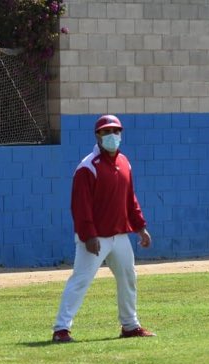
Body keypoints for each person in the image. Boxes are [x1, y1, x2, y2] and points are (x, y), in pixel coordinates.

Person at [51, 114, 155, 343]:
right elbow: (80, 206)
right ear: (97, 135)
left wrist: (140, 227)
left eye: (116, 131)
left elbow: (130, 199)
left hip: (119, 235)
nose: (112, 136)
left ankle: (130, 325)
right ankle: (61, 329)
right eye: (106, 132)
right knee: (81, 280)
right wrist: (89, 235)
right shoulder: (88, 167)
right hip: (96, 238)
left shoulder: (124, 163)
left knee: (128, 277)